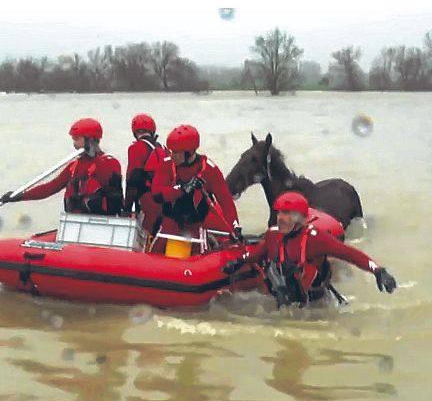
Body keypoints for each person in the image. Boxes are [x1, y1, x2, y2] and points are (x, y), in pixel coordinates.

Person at [223, 191, 397, 306]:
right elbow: (257, 254)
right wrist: (238, 262)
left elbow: (350, 254)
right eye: (279, 213)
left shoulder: (316, 239)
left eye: (287, 214)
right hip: (284, 300)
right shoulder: (273, 236)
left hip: (316, 304)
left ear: (299, 219)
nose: (280, 218)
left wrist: (378, 271)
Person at [0, 118, 123, 215]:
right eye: (73, 139)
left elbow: (114, 196)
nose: (74, 143)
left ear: (90, 140)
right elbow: (50, 188)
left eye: (77, 139)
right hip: (75, 221)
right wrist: (20, 196)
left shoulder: (108, 163)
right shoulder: (74, 166)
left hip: (100, 221)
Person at [151, 124, 241, 240]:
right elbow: (157, 194)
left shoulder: (209, 169)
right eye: (171, 151)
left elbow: (226, 202)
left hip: (197, 228)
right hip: (169, 226)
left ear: (190, 152)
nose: (172, 156)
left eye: (177, 152)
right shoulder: (166, 164)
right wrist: (181, 189)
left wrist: (235, 226)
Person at [124, 113, 173, 230]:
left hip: (147, 203)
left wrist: (126, 209)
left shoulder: (136, 148)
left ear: (135, 132)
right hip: (166, 203)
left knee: (145, 240)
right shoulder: (163, 149)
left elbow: (132, 180)